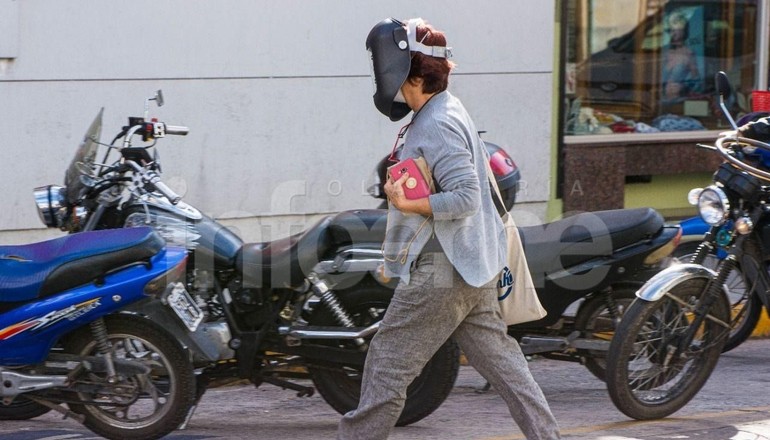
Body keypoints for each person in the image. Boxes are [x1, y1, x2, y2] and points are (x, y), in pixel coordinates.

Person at [337, 18, 561, 440]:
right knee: (507, 368)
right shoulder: (445, 108)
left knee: (387, 363)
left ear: (407, 70)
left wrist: (408, 204)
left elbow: (466, 197)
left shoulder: (436, 122)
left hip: (444, 269)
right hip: (472, 262)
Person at [661, 11, 702, 104]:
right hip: (659, 101)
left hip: (678, 101)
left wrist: (683, 87)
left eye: (676, 30)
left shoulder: (688, 54)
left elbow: (697, 82)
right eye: (670, 30)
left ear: (684, 31)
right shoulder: (664, 52)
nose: (673, 34)